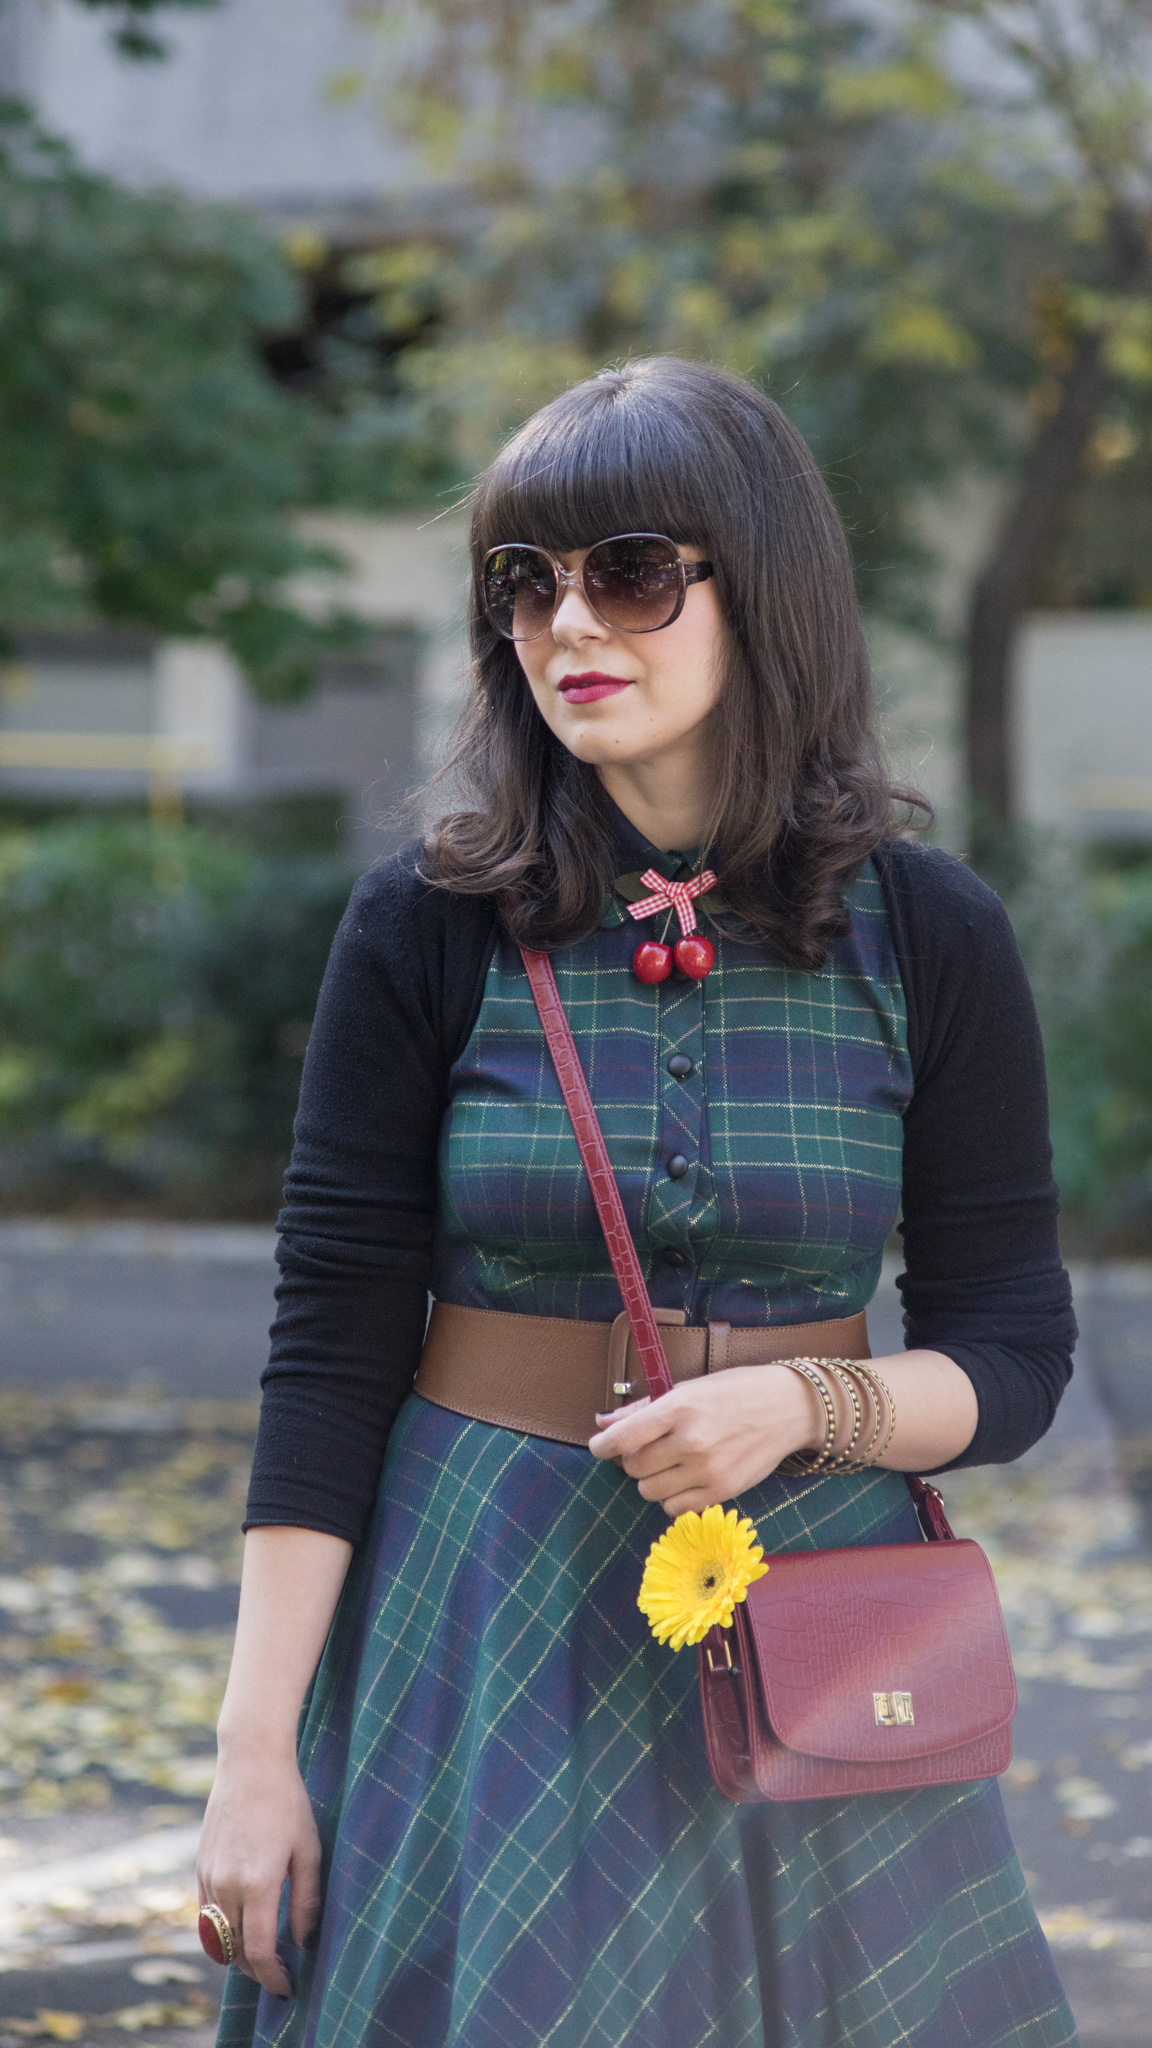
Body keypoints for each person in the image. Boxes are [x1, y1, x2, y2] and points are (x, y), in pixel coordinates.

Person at [201, 357, 1079, 2048]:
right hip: (481, 1600)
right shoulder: (427, 926)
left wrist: (808, 1403)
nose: (568, 625)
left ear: (767, 593)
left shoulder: (933, 934)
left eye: (633, 573)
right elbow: (326, 1358)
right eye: (523, 585)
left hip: (812, 1600)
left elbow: (1016, 1361)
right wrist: (252, 1760)